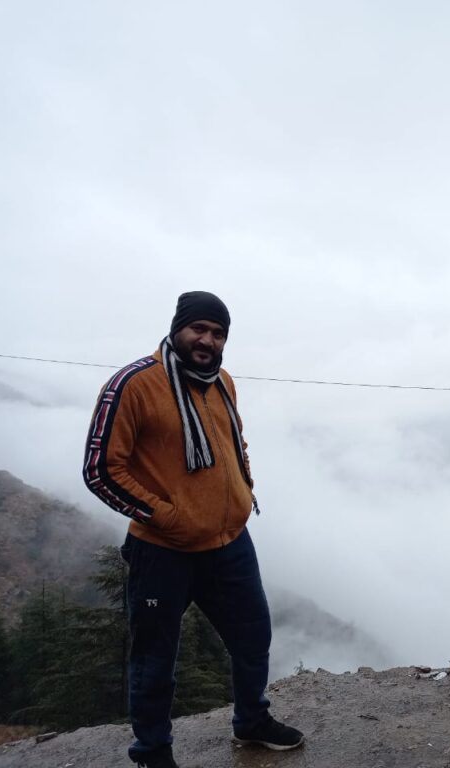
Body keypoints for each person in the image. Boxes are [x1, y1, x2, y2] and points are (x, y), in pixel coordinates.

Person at [83, 291, 303, 768]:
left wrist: (244, 488)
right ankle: (152, 751)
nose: (207, 340)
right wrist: (168, 516)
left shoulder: (221, 381)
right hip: (161, 549)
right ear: (178, 327)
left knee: (253, 637)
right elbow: (101, 469)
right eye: (198, 329)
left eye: (218, 333)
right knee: (155, 657)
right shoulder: (134, 384)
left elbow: (234, 440)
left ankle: (251, 721)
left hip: (228, 542)